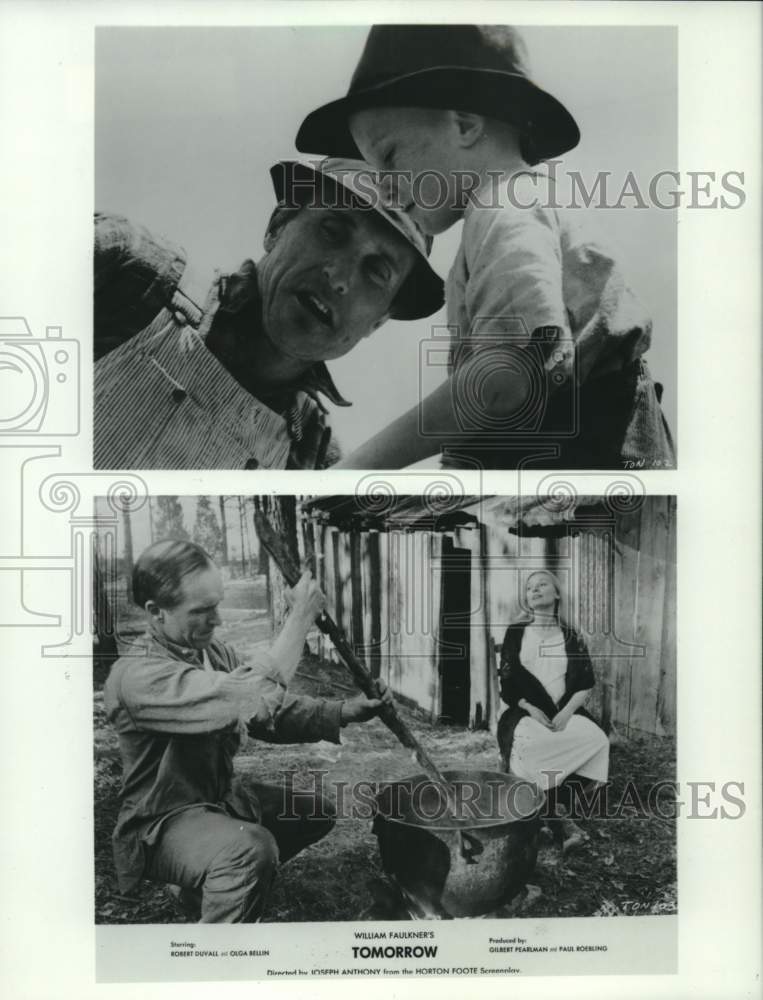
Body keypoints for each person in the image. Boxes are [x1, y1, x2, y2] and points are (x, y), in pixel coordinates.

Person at [296, 24, 676, 470]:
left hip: (595, 466)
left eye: (389, 157)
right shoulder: (513, 207)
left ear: (465, 124)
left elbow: (506, 378)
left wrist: (356, 471)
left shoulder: (503, 208)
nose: (387, 192)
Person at [104, 539, 391, 923]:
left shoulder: (211, 652)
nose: (217, 620)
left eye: (217, 605)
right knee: (250, 849)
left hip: (219, 802)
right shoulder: (138, 675)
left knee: (312, 812)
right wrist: (299, 619)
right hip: (162, 823)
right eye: (201, 611)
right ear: (156, 613)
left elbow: (267, 714)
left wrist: (342, 711)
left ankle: (202, 888)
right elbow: (250, 698)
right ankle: (220, 953)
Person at [94, 157, 443, 470]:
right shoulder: (127, 269)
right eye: (332, 232)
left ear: (379, 321)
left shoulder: (313, 462)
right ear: (276, 227)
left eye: (376, 272)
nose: (339, 278)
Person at [496, 570, 609, 851]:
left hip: (564, 711)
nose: (534, 590)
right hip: (525, 712)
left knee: (597, 741)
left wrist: (568, 712)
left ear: (557, 593)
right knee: (533, 743)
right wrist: (529, 708)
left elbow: (585, 683)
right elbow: (507, 684)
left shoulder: (571, 636)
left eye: (542, 584)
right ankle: (552, 814)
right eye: (529, 588)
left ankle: (553, 804)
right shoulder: (516, 633)